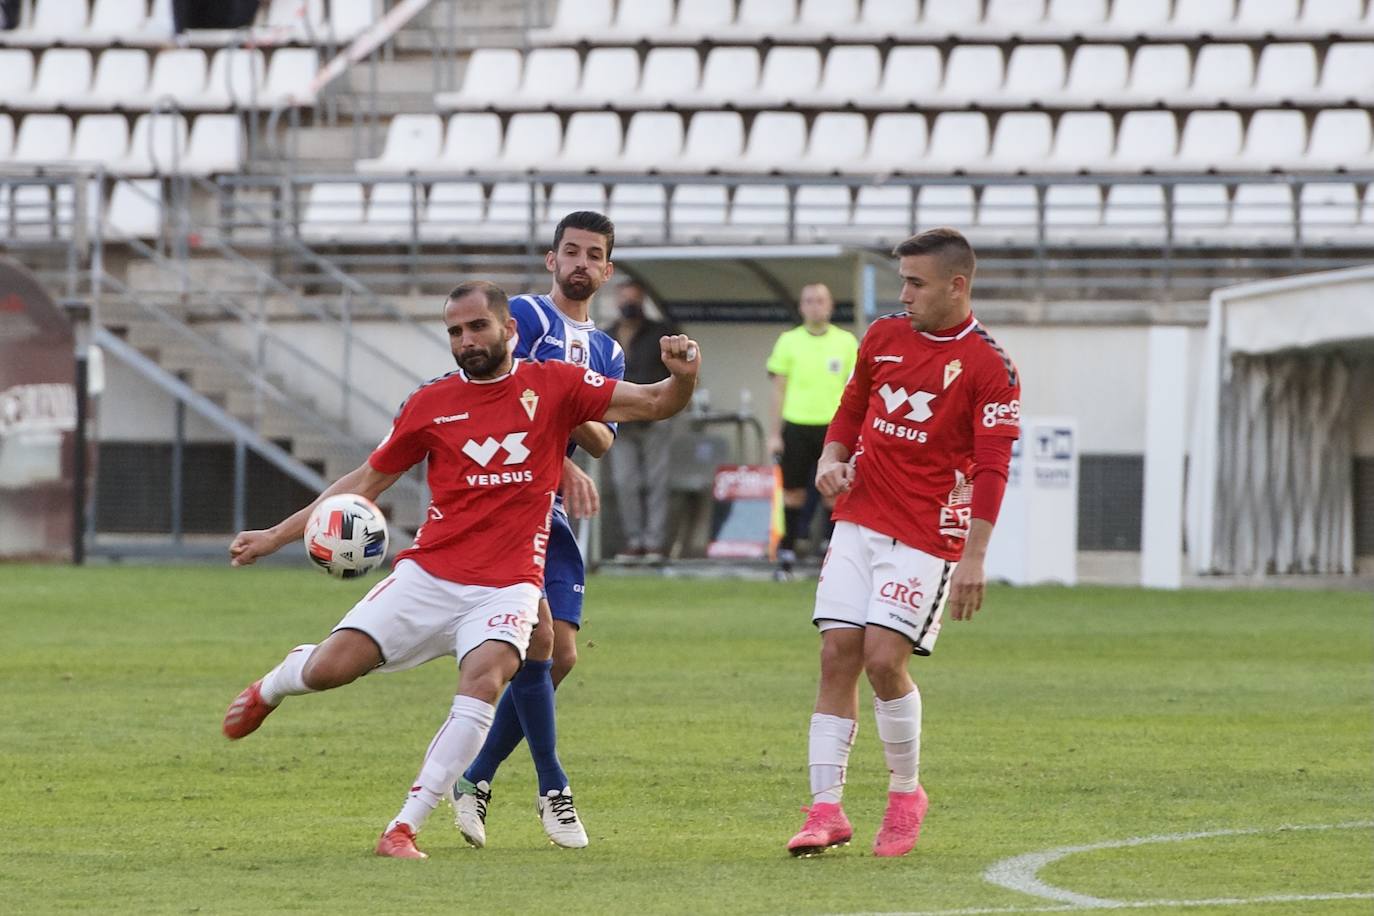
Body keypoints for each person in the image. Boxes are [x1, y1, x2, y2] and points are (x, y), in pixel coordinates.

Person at [221, 280, 702, 860]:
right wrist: (275, 535)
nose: (467, 340)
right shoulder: (431, 403)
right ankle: (276, 683)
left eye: (478, 327)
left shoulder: (555, 386)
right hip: (429, 575)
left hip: (509, 584)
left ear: (510, 331)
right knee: (329, 670)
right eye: (455, 331)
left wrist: (683, 376)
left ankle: (403, 826)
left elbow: (654, 403)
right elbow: (364, 484)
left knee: (484, 680)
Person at [786, 228, 1020, 859]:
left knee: (885, 661)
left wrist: (975, 554)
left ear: (957, 285)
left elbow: (994, 466)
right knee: (838, 654)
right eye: (903, 282)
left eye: (916, 283)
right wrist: (830, 459)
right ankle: (825, 811)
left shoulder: (989, 367)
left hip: (927, 533)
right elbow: (851, 409)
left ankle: (905, 794)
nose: (905, 294)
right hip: (859, 519)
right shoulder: (883, 336)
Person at [452, 211, 624, 850]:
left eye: (594, 255)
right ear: (551, 260)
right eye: (570, 251)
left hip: (549, 509)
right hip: (505, 500)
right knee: (541, 636)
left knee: (561, 657)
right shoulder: (524, 317)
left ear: (606, 270)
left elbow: (604, 438)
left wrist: (572, 421)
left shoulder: (608, 351)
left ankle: (475, 776)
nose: (581, 263)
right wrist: (561, 455)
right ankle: (555, 786)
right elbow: (510, 392)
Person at [765, 283, 859, 580]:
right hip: (796, 425)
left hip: (833, 428)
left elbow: (856, 392)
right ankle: (788, 553)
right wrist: (775, 433)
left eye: (821, 301)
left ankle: (833, 555)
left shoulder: (846, 342)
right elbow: (778, 390)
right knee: (793, 493)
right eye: (809, 301)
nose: (815, 306)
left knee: (834, 492)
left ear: (830, 306)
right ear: (802, 307)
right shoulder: (788, 341)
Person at [603, 279, 679, 563]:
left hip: (656, 417)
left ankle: (655, 544)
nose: (628, 305)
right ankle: (634, 541)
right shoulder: (607, 334)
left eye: (633, 300)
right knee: (625, 482)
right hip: (620, 418)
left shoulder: (661, 332)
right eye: (624, 300)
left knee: (657, 482)